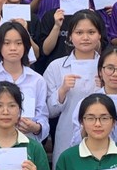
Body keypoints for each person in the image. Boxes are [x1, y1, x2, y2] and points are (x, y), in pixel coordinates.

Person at [44, 9, 107, 161]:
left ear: (99, 35)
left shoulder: (108, 66)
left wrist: (105, 89)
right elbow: (49, 112)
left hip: (104, 138)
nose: (85, 37)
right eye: (79, 33)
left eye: (91, 32)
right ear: (70, 36)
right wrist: (62, 91)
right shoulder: (56, 67)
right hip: (67, 136)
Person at [0, 22, 49, 144]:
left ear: (26, 47)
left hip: (28, 143)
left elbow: (42, 116)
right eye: (7, 43)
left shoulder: (37, 80)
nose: (13, 48)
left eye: (18, 43)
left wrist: (35, 127)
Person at [32, 0, 88, 74]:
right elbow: (45, 51)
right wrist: (57, 26)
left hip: (86, 68)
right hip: (56, 70)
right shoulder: (50, 15)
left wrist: (91, 21)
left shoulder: (92, 16)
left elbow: (99, 49)